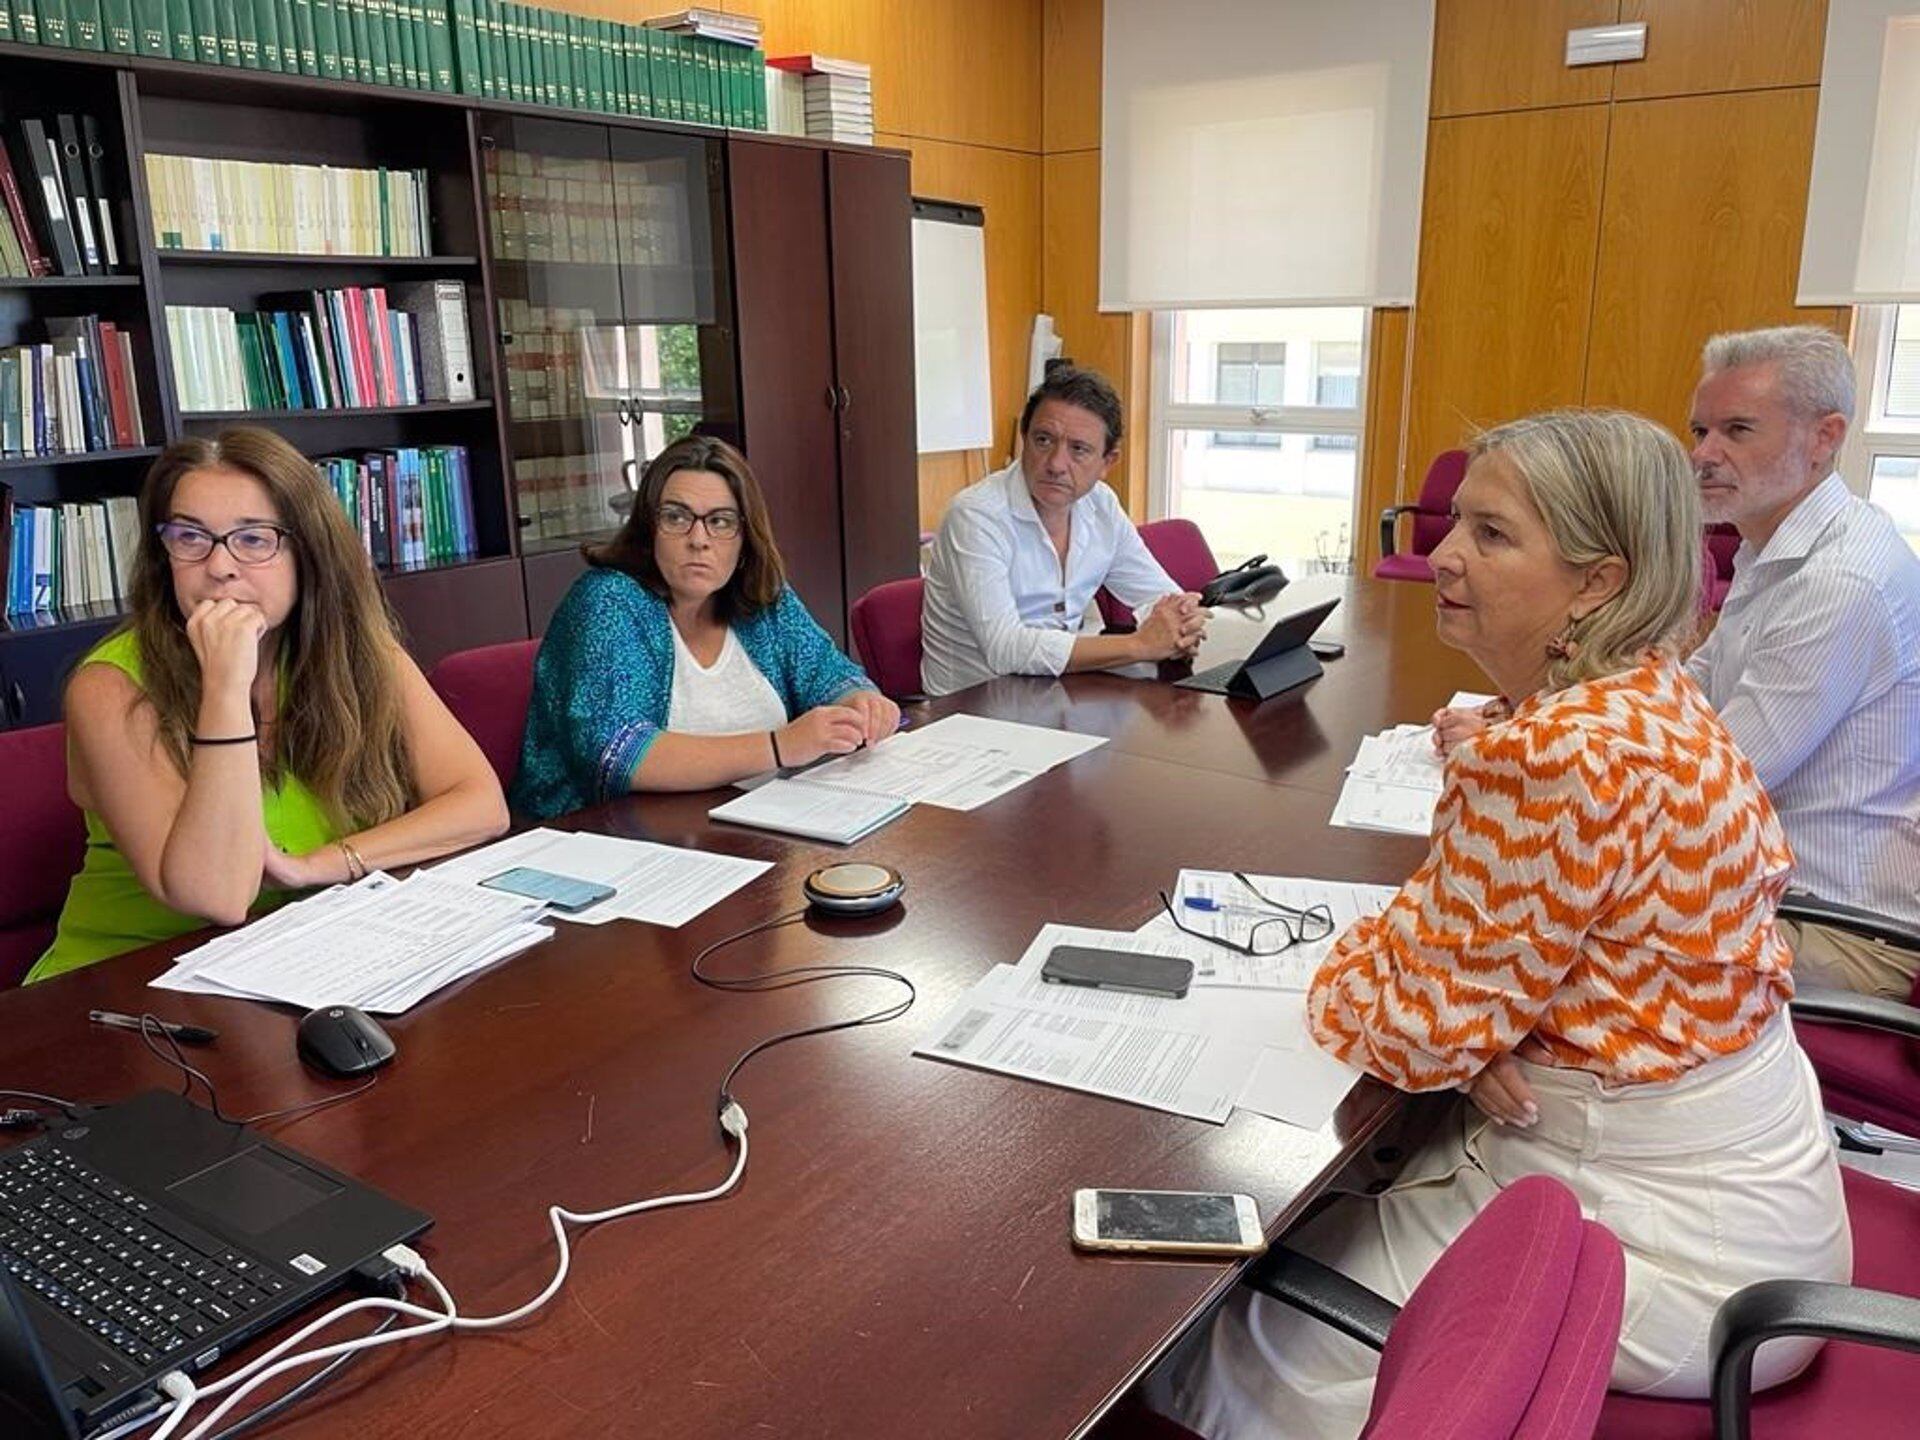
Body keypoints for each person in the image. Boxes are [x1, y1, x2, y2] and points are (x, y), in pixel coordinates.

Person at [1150, 411, 1848, 1439]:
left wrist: (1410, 990)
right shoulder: (1651, 693)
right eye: (1456, 525)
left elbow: (1413, 1026)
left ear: (1597, 581)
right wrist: (1465, 1016)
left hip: (1672, 1252)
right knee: (1332, 1205)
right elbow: (1466, 987)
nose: (1441, 557)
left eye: (1491, 534)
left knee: (1208, 1338)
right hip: (1749, 1204)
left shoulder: (1559, 754)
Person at [1436, 326, 1920, 998]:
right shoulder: (1773, 547)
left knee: (1510, 952)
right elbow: (1685, 696)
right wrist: (1533, 719)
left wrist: (1525, 749)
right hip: (1747, 879)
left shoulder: (1842, 581)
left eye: (1737, 431)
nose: (1704, 455)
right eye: (1700, 431)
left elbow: (1717, 781)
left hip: (1828, 922)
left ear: (1825, 437)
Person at [33, 429, 510, 982]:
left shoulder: (362, 654)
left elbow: (479, 805)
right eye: (190, 537)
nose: (219, 567)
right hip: (126, 991)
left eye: (253, 539)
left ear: (309, 552)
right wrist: (225, 688)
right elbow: (219, 895)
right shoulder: (110, 687)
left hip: (308, 957)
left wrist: (315, 867)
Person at [512, 435, 898, 819]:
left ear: (745, 538)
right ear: (649, 527)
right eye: (676, 517)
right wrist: (780, 747)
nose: (699, 540)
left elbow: (829, 673)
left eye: (720, 521)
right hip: (605, 840)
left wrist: (861, 702)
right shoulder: (608, 601)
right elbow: (615, 753)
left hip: (754, 826)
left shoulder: (764, 599)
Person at [919, 366, 1208, 697]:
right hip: (974, 708)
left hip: (1056, 693)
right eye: (1044, 440)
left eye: (1079, 449)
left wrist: (1180, 623)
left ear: (1108, 462)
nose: (1056, 464)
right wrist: (1140, 645)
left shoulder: (1101, 505)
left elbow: (1159, 596)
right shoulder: (976, 515)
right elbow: (1005, 649)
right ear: (1023, 439)